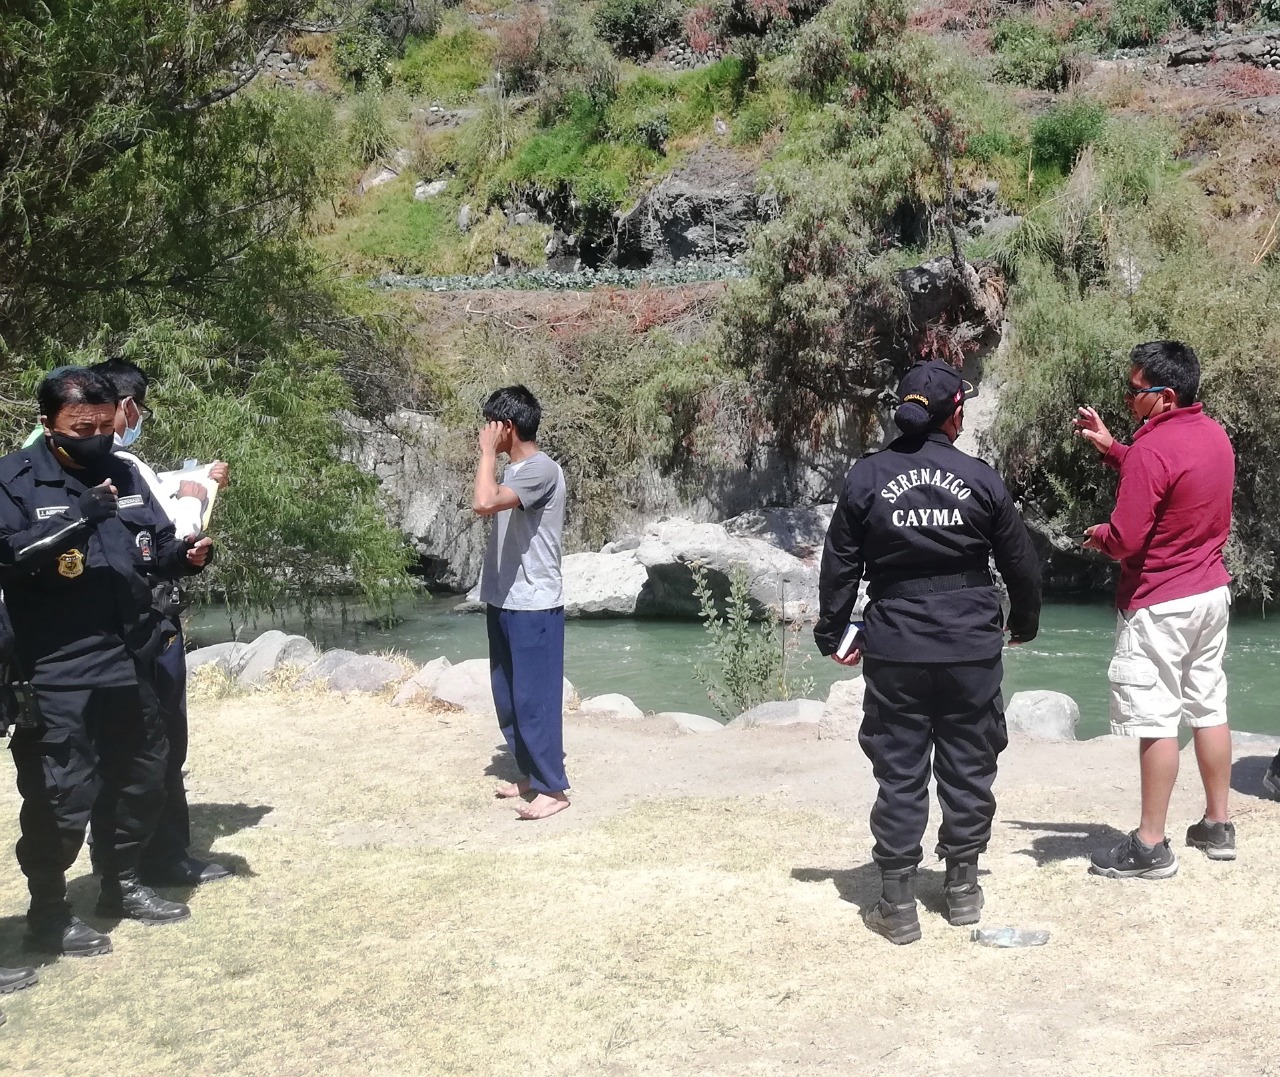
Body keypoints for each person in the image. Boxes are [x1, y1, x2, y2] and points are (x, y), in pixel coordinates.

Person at [815, 359, 1041, 945]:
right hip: (969, 644)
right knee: (970, 762)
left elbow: (840, 564)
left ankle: (897, 903)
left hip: (896, 645)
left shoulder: (866, 478)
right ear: (955, 414)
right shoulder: (980, 478)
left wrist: (832, 632)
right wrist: (1025, 621)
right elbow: (1020, 561)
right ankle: (962, 888)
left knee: (901, 770)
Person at [0, 367, 212, 957]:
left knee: (144, 775)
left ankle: (124, 884)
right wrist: (80, 517)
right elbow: (8, 559)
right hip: (56, 669)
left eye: (103, 426)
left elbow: (151, 552)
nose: (95, 437)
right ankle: (48, 914)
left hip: (130, 659)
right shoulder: (14, 480)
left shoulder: (123, 473)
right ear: (48, 426)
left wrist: (183, 558)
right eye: (80, 428)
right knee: (60, 797)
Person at [1075, 340, 1236, 877]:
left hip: (1161, 603)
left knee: (1157, 718)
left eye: (1134, 391)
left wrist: (1097, 534)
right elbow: (1172, 482)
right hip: (1210, 594)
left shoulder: (1153, 450)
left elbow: (1124, 539)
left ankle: (1149, 845)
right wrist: (1114, 447)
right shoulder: (1213, 436)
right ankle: (1218, 826)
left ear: (1164, 397)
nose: (1127, 400)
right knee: (1208, 706)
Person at [91, 359, 233, 886]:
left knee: (122, 747)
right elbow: (165, 539)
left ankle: (125, 860)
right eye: (137, 410)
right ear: (126, 406)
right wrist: (197, 498)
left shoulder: (81, 466)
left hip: (109, 630)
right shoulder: (124, 466)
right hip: (145, 626)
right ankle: (161, 856)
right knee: (160, 742)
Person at [472, 385, 570, 821]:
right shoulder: (515, 472)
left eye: (491, 425)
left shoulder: (540, 470)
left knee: (536, 699)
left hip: (535, 603)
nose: (485, 432)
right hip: (506, 597)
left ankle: (554, 788)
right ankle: (529, 774)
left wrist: (487, 454)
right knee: (509, 696)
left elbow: (483, 503)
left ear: (507, 427)